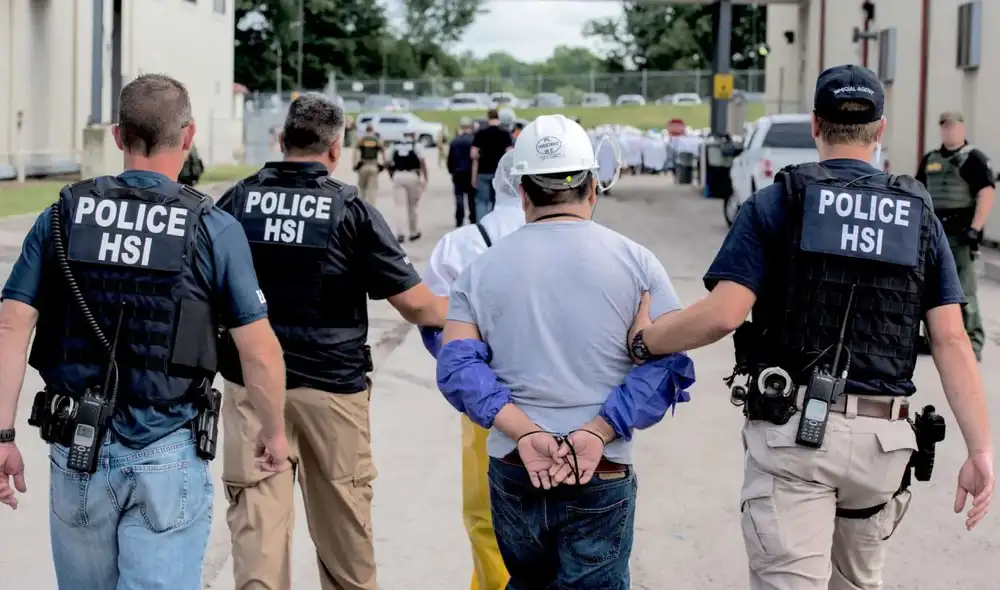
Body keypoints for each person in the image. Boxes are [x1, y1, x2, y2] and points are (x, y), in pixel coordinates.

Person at [633, 65, 995, 589]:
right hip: (882, 445)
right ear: (881, 129)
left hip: (795, 435)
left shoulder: (778, 202)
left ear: (814, 125)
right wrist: (980, 451)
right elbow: (951, 338)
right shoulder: (918, 214)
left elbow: (723, 314)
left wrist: (645, 341)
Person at [0, 74, 291, 589]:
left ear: (118, 136)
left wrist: (2, 435)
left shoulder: (62, 215)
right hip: (166, 448)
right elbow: (259, 351)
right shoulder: (212, 225)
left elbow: (12, 322)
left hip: (78, 448)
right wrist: (272, 432)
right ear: (189, 134)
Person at [436, 114, 695, 589]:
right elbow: (668, 367)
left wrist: (525, 430)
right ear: (593, 187)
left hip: (516, 465)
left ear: (523, 192)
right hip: (602, 465)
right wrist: (598, 431)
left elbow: (457, 369)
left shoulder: (480, 270)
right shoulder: (638, 263)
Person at [215, 92, 448, 590]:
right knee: (347, 556)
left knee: (257, 552)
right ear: (336, 149)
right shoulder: (350, 210)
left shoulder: (236, 201)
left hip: (251, 393)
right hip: (332, 393)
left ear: (282, 140)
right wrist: (474, 314)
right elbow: (419, 306)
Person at [420, 152, 525, 590]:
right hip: (569, 402)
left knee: (486, 517)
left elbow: (433, 325)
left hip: (485, 403)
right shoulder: (586, 241)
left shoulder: (460, 244)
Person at [915, 111, 995, 361]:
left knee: (965, 291)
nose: (949, 131)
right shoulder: (931, 159)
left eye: (953, 126)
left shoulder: (974, 159)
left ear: (962, 128)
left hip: (961, 236)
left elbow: (986, 193)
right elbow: (919, 191)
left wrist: (975, 228)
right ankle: (932, 339)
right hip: (935, 234)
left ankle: (974, 342)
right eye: (945, 127)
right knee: (931, 290)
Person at [471, 109, 514, 221]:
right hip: (500, 173)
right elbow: (510, 154)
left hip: (483, 171)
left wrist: (473, 176)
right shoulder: (505, 133)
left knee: (482, 201)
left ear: (488, 117)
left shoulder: (480, 133)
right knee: (498, 201)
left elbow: (474, 154)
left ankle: (482, 227)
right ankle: (496, 225)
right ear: (498, 117)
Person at [387, 127, 428, 243]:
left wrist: (392, 175)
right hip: (412, 175)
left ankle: (400, 233)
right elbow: (422, 162)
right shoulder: (416, 145)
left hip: (398, 175)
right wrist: (425, 178)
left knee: (399, 206)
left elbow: (388, 162)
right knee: (412, 207)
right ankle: (413, 232)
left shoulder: (394, 146)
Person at [448, 117, 477, 227]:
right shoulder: (474, 140)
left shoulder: (455, 141)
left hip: (458, 172)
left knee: (459, 197)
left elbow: (450, 159)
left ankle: (459, 219)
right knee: (472, 199)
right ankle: (473, 219)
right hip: (470, 173)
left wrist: (451, 170)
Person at [353, 124, 385, 205]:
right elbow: (383, 151)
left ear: (366, 130)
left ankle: (361, 206)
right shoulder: (376, 139)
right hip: (373, 166)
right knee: (372, 190)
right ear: (373, 130)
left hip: (363, 166)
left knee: (362, 189)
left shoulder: (362, 139)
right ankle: (371, 208)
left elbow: (356, 152)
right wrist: (383, 164)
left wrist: (355, 165)